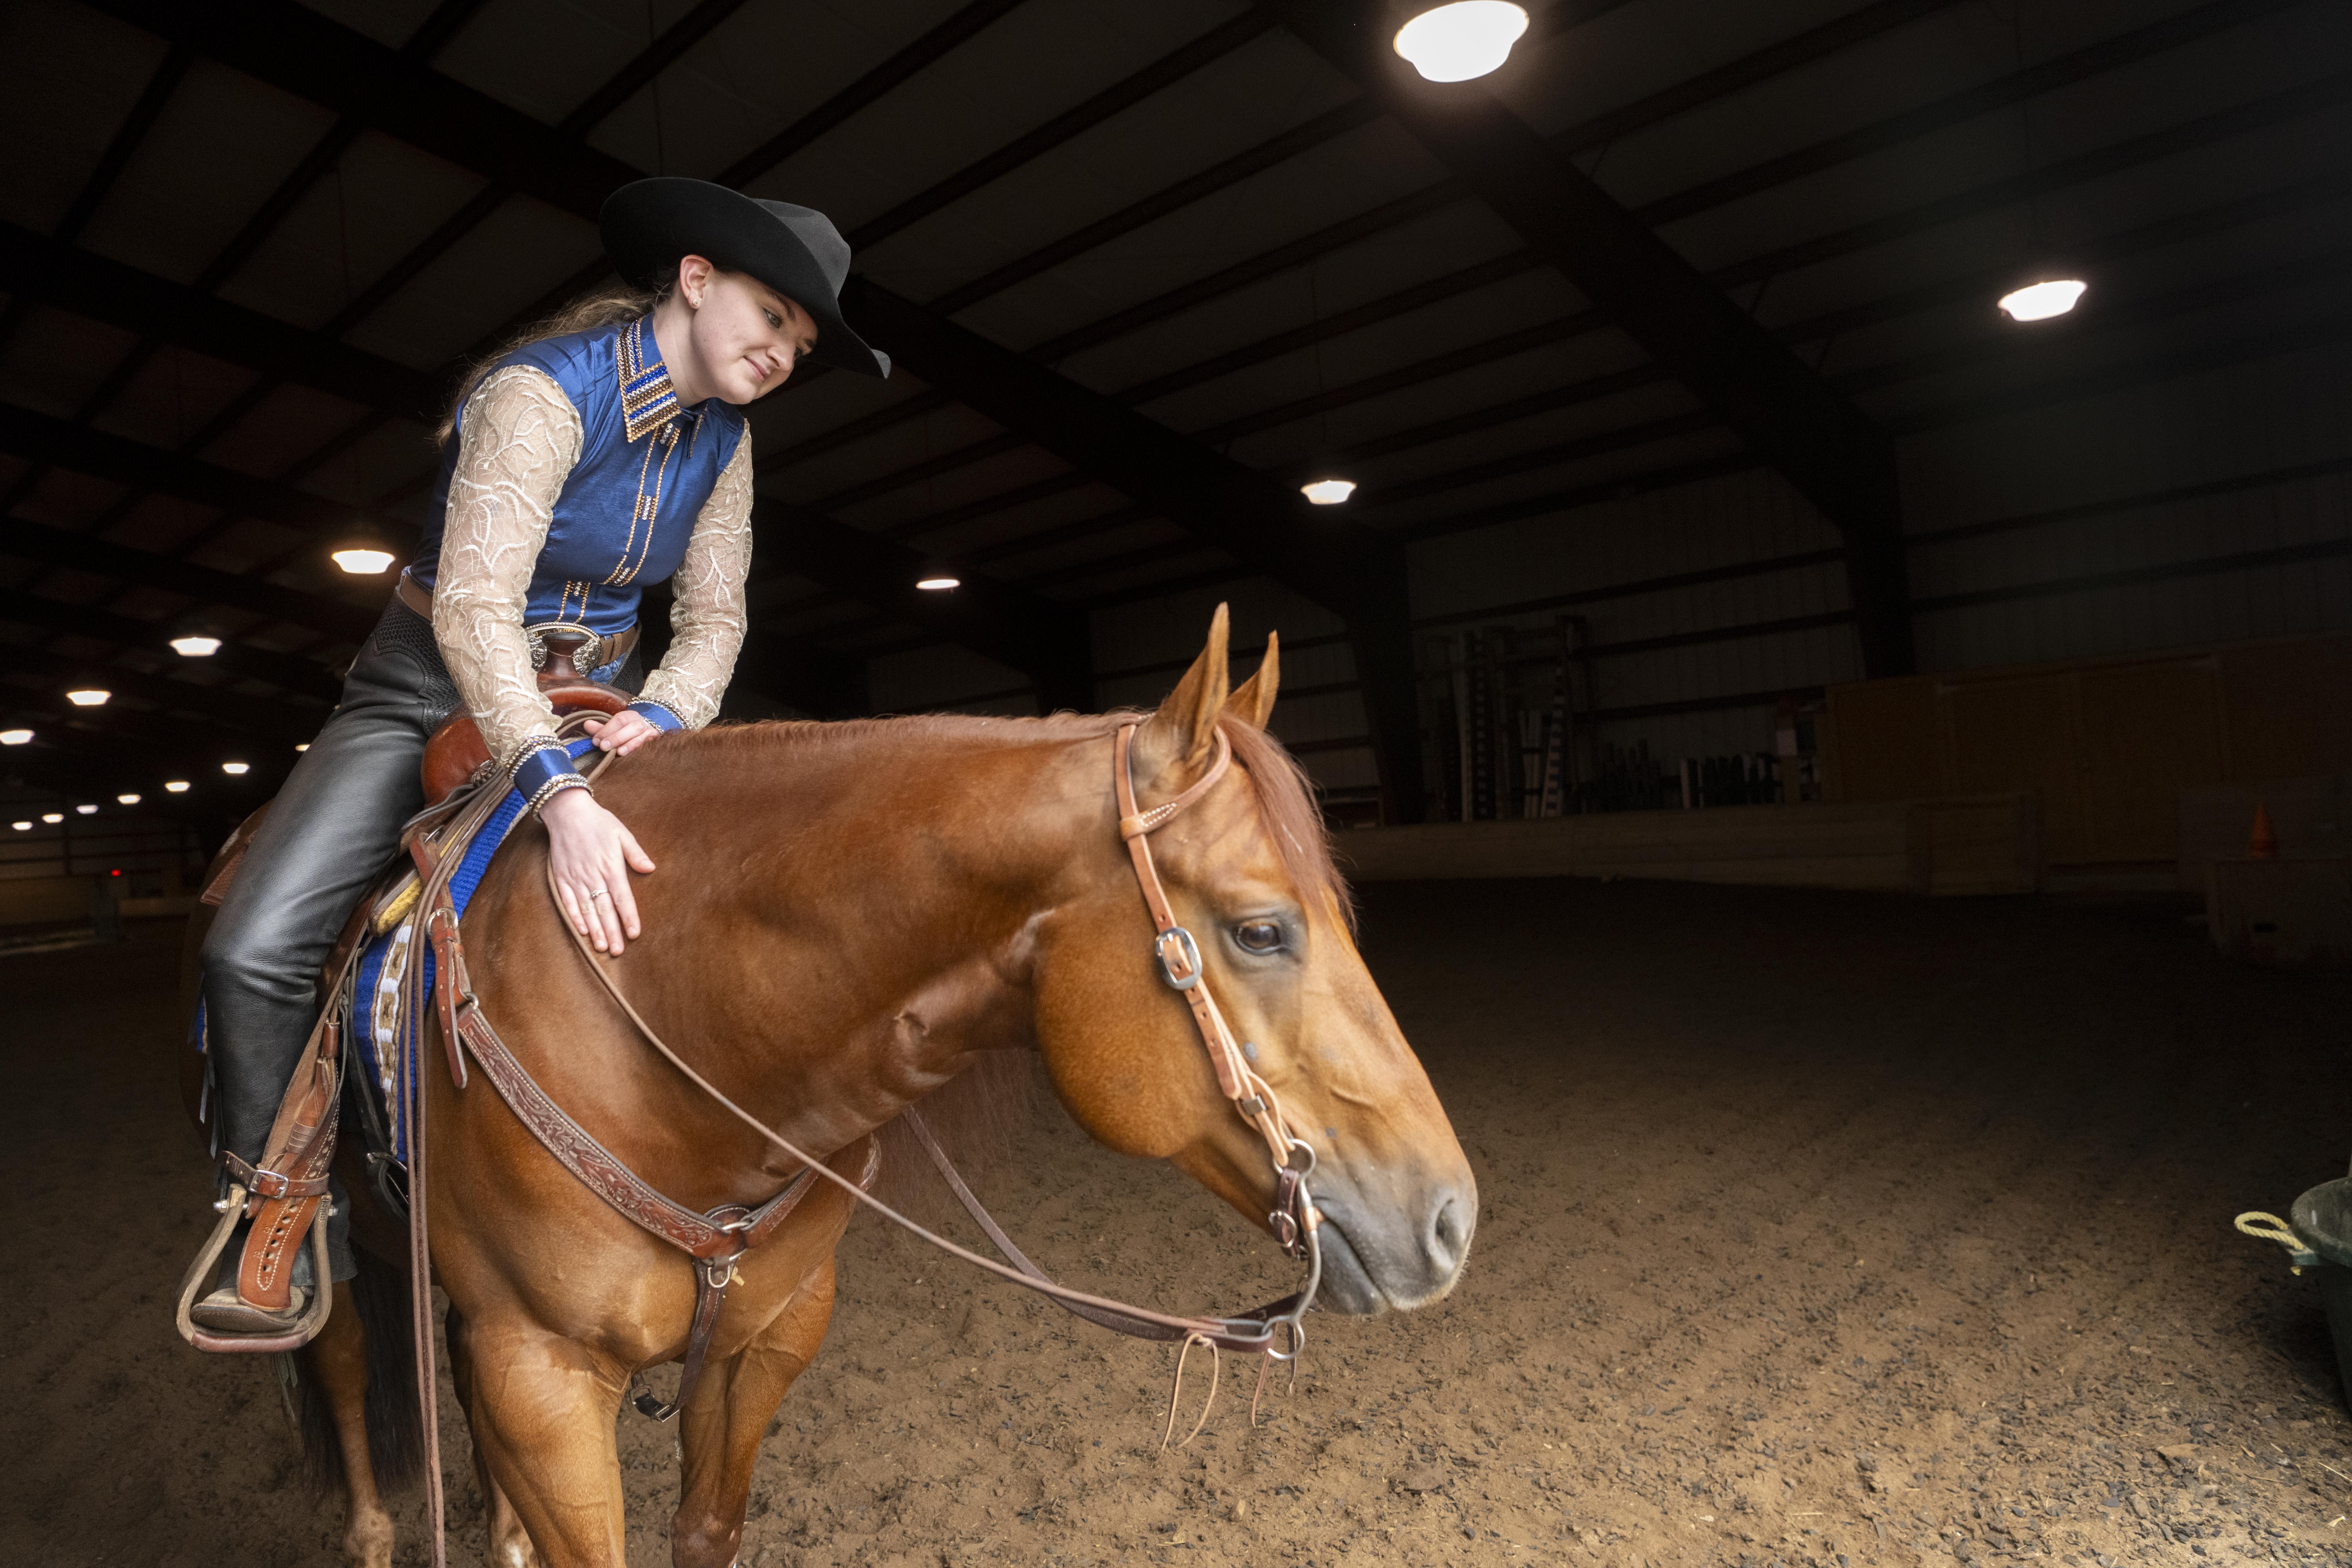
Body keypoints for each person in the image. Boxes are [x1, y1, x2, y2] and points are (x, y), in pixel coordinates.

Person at [190, 179, 889, 1334]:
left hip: (597, 695)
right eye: (774, 318)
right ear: (697, 278)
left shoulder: (729, 441)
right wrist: (558, 796)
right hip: (426, 691)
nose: (782, 354)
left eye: (800, 344)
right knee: (251, 947)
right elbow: (470, 613)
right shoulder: (535, 395)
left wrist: (664, 716)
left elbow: (715, 623)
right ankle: (278, 1212)